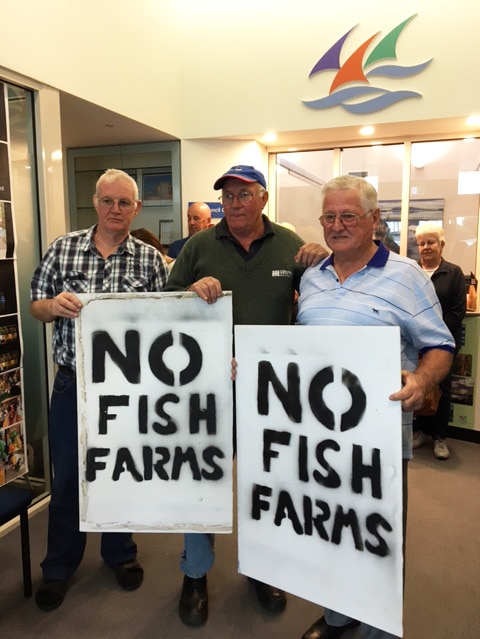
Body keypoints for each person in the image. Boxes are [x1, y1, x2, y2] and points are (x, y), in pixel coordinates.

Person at [165, 164, 328, 627]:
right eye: (227, 197)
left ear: (263, 198)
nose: (234, 204)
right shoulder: (197, 246)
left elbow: (320, 298)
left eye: (243, 195)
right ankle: (194, 572)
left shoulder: (291, 246)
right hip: (207, 389)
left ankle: (262, 568)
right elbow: (164, 304)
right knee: (202, 481)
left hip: (270, 391)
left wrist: (323, 257)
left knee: (267, 483)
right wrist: (189, 291)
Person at [295, 175, 455, 639]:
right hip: (318, 435)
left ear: (373, 220)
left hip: (378, 435)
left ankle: (376, 630)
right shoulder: (313, 277)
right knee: (330, 530)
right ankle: (336, 615)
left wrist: (423, 379)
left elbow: (439, 344)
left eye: (349, 216)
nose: (338, 225)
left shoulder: (406, 275)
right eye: (330, 216)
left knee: (377, 538)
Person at [30, 168, 169, 612]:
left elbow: (166, 322)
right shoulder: (63, 247)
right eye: (108, 201)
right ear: (95, 202)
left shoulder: (150, 260)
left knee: (119, 471)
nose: (115, 209)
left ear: (136, 208)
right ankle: (58, 567)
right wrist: (51, 307)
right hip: (74, 383)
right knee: (69, 476)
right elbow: (35, 303)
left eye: (124, 203)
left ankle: (119, 553)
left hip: (128, 387)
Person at [412, 223, 466, 460]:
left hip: (443, 344)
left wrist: (434, 334)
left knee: (441, 389)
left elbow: (457, 311)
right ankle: (421, 431)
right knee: (419, 386)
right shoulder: (411, 271)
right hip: (415, 343)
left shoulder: (453, 273)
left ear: (441, 245)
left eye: (431, 242)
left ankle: (440, 437)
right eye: (422, 243)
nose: (426, 247)